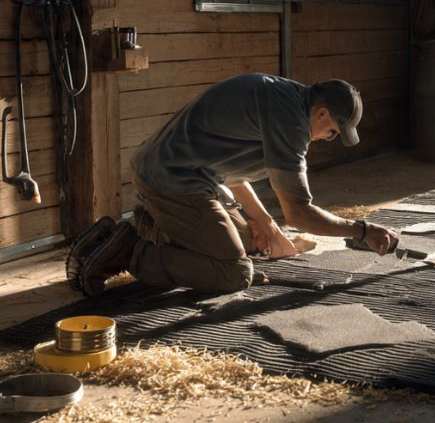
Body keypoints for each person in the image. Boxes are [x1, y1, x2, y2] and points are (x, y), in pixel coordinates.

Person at [68, 73, 399, 296]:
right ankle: (131, 251)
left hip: (186, 174)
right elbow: (299, 214)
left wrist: (267, 225)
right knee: (233, 272)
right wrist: (362, 230)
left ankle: (150, 224)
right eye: (332, 132)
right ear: (323, 114)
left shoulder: (286, 97)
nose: (327, 139)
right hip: (172, 179)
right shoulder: (291, 122)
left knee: (250, 240)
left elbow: (233, 172)